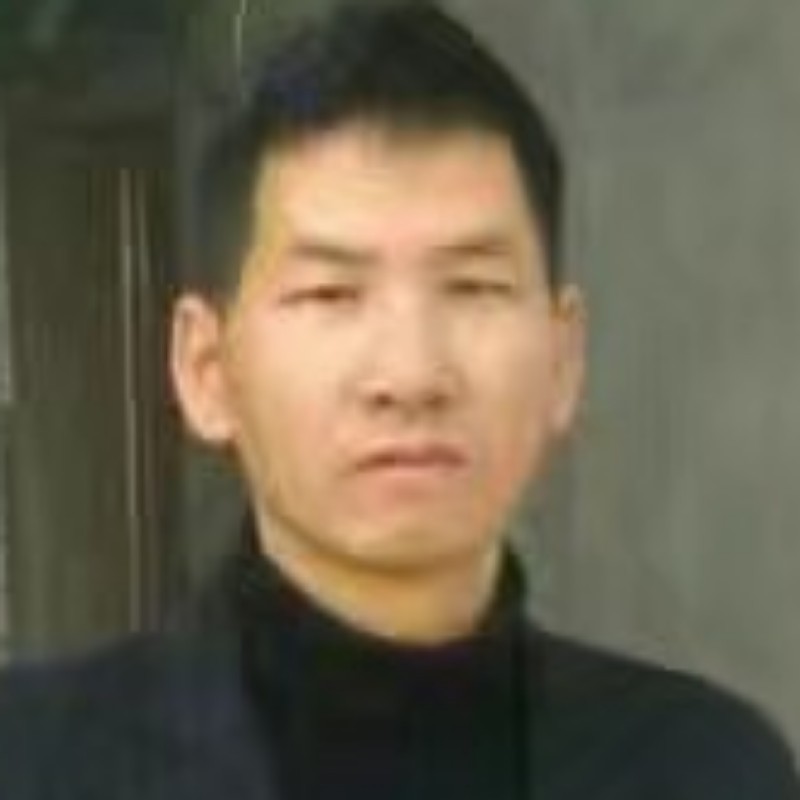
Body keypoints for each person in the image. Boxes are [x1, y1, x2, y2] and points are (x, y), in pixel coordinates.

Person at [1, 2, 798, 798]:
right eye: (330, 294)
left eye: (473, 287)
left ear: (561, 360)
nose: (411, 375)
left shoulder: (713, 770)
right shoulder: (34, 761)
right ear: (207, 370)